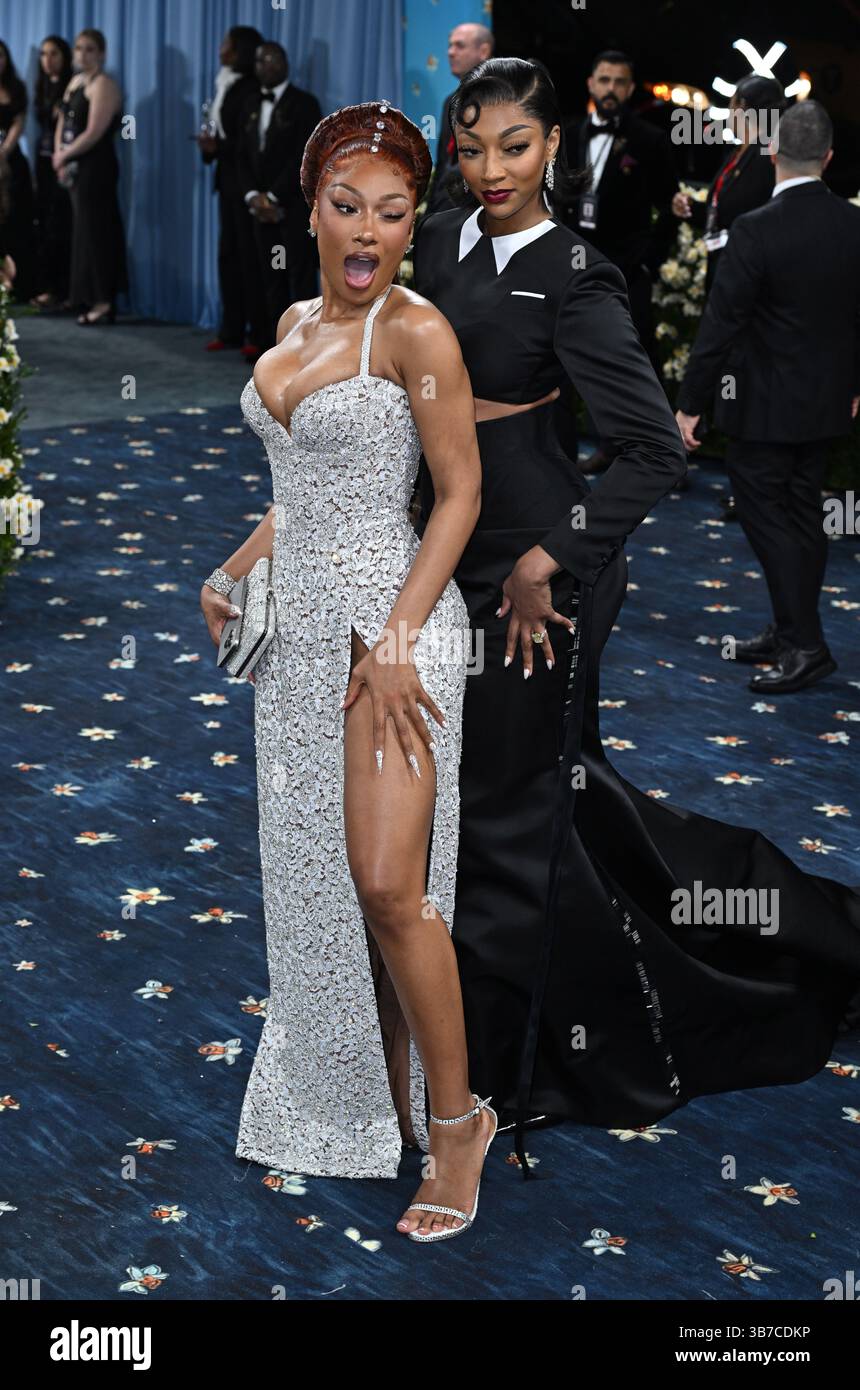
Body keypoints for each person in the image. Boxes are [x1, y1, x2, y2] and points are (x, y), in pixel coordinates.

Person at [411, 57, 860, 1184]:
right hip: (444, 558)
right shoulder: (438, 242)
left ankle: (534, 1063)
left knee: (510, 815)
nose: (490, 168)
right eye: (470, 148)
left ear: (551, 145)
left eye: (513, 145)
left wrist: (547, 565)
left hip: (538, 575)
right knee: (502, 801)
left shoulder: (576, 274)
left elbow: (654, 449)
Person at [200, 101, 497, 1242]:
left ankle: (456, 1120)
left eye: (392, 213)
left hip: (399, 634)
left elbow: (457, 494)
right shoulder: (288, 318)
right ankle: (362, 1097)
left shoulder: (414, 334)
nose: (367, 233)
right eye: (346, 209)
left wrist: (392, 637)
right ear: (310, 209)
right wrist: (231, 569)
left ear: (413, 220)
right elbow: (296, 494)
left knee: (385, 883)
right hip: (298, 637)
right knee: (330, 887)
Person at [676, 100, 860, 694]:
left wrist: (690, 404)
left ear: (774, 152)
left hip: (764, 405)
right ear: (828, 158)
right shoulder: (854, 224)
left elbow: (719, 326)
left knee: (765, 515)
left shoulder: (755, 228)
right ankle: (790, 632)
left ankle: (806, 642)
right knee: (803, 512)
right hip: (829, 402)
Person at [558, 50, 677, 367]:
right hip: (569, 272)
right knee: (563, 369)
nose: (611, 89)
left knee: (629, 366)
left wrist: (648, 263)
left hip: (626, 274)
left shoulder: (651, 140)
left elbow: (671, 207)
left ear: (630, 88)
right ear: (590, 84)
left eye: (619, 82)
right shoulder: (566, 135)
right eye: (604, 80)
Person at [235, 41, 322, 354]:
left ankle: (304, 348)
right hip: (258, 208)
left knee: (298, 277)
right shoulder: (249, 102)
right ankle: (272, 345)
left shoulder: (305, 104)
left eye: (272, 60)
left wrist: (273, 196)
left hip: (293, 208)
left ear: (285, 63)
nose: (266, 66)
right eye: (260, 61)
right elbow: (241, 155)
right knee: (267, 276)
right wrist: (252, 196)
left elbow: (305, 155)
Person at [672, 74, 784, 296]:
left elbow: (750, 218)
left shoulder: (767, 156)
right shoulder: (739, 152)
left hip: (745, 282)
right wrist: (690, 208)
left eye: (730, 102)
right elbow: (723, 212)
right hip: (726, 273)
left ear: (740, 106)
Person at [197, 25, 265, 356]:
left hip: (247, 181)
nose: (221, 47)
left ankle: (256, 332)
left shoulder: (251, 87)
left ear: (239, 50)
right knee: (229, 256)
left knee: (250, 257)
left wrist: (218, 146)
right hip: (227, 180)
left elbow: (246, 141)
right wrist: (209, 147)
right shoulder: (223, 81)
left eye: (227, 43)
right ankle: (231, 328)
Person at [54, 28, 128, 325]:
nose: (82, 55)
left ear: (102, 54)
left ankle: (103, 300)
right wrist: (59, 154)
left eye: (89, 49)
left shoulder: (104, 85)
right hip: (74, 163)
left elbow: (94, 131)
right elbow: (63, 119)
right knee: (81, 232)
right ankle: (83, 295)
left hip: (96, 166)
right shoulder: (74, 82)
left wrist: (66, 154)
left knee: (98, 232)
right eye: (79, 48)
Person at [421, 20, 494, 220]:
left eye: (459, 45)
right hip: (442, 211)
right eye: (450, 45)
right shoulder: (450, 102)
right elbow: (444, 163)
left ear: (484, 51)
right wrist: (428, 217)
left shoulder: (499, 103)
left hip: (479, 215)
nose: (451, 52)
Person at [31, 35, 73, 311]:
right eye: (44, 54)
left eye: (54, 54)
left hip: (67, 162)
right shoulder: (41, 86)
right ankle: (48, 287)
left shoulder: (73, 86)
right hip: (43, 161)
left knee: (62, 226)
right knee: (44, 224)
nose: (48, 60)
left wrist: (130, 134)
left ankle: (63, 289)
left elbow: (127, 125)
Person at [0, 41, 36, 301]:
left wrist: (3, 152)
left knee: (17, 223)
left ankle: (20, 286)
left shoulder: (17, 88)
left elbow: (18, 124)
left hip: (12, 162)